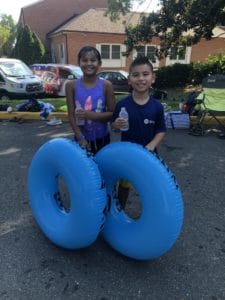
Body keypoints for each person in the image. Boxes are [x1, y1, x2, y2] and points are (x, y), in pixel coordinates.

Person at [111, 55, 166, 208]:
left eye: (145, 74)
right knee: (124, 185)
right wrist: (116, 124)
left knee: (150, 186)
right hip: (127, 156)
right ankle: (119, 211)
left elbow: (161, 130)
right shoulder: (122, 105)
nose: (141, 79)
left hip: (149, 155)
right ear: (129, 79)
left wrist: (152, 145)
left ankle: (152, 214)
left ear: (153, 78)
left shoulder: (157, 107)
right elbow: (114, 127)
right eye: (136, 75)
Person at [66, 46, 115, 154]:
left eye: (93, 60)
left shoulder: (106, 85)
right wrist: (80, 137)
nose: (89, 63)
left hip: (102, 138)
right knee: (84, 169)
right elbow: (71, 115)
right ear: (79, 62)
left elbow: (112, 114)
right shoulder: (71, 86)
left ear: (99, 63)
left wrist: (92, 115)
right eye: (84, 60)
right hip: (81, 138)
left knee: (102, 167)